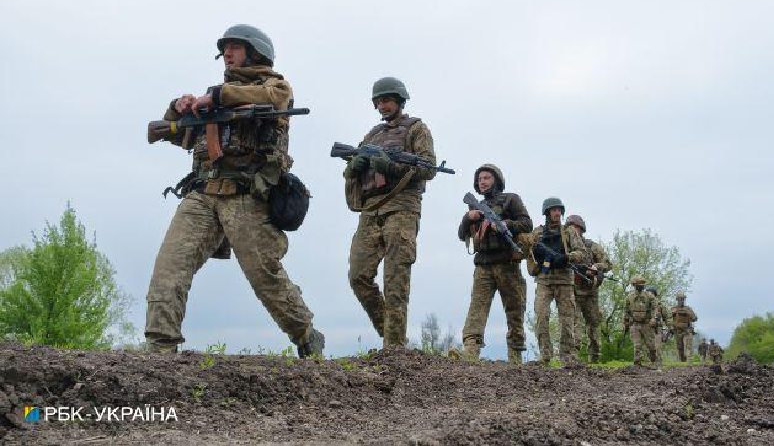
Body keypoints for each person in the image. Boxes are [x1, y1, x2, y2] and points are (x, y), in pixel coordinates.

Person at [145, 24, 324, 357]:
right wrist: (180, 107)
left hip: (246, 197)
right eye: (224, 49)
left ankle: (307, 335)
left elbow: (277, 97)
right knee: (169, 269)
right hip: (202, 194)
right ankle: (159, 350)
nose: (227, 54)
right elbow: (183, 137)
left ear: (255, 52)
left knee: (265, 277)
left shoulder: (272, 87)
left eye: (235, 47)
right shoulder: (211, 100)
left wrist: (218, 97)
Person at [344, 77, 437, 347]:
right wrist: (354, 166)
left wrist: (392, 167)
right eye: (378, 102)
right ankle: (392, 336)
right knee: (358, 276)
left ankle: (394, 350)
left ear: (399, 100)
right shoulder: (372, 135)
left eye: (386, 100)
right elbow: (350, 171)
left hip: (402, 207)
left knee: (395, 280)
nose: (382, 106)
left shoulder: (417, 129)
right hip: (371, 210)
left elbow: (429, 168)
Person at [458, 164, 532, 364]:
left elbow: (527, 223)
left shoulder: (511, 199)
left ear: (496, 180)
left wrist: (504, 224)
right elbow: (461, 235)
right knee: (477, 309)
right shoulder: (475, 206)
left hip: (507, 263)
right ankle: (470, 354)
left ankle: (515, 357)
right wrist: (468, 219)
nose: (482, 182)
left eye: (487, 178)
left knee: (515, 309)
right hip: (483, 264)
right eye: (480, 179)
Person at [528, 197, 587, 365]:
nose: (557, 212)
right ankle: (545, 356)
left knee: (567, 319)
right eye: (553, 209)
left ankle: (567, 357)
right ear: (547, 212)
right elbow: (528, 252)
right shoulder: (538, 233)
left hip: (564, 280)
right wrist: (537, 265)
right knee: (541, 317)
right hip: (544, 280)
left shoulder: (569, 232)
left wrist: (567, 257)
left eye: (559, 209)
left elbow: (582, 252)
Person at [565, 214, 612, 364]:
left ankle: (595, 357)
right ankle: (573, 358)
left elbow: (608, 264)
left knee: (594, 324)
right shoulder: (565, 247)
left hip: (591, 292)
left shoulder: (592, 246)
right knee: (574, 324)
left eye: (575, 227)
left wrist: (595, 267)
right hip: (573, 291)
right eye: (569, 228)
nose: (573, 231)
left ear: (581, 229)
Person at [622, 276, 658, 367]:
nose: (641, 287)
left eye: (642, 285)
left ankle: (653, 361)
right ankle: (637, 363)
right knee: (637, 345)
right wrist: (625, 321)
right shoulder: (629, 297)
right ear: (634, 285)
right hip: (634, 324)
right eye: (639, 285)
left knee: (651, 346)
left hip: (646, 324)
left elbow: (655, 308)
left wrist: (654, 318)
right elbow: (626, 310)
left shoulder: (649, 296)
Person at [645, 285, 671, 367]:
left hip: (657, 329)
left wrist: (670, 328)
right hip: (647, 329)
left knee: (657, 347)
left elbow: (666, 318)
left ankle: (659, 364)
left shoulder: (660, 305)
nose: (649, 294)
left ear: (654, 294)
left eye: (651, 293)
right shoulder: (645, 305)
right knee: (649, 347)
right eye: (648, 293)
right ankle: (651, 363)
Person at [671, 291, 698, 362]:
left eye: (683, 299)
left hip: (687, 330)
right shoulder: (673, 309)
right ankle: (682, 361)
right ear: (677, 300)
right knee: (680, 347)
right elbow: (668, 319)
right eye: (680, 299)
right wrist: (671, 328)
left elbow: (695, 318)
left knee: (688, 345)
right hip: (677, 330)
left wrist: (689, 314)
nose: (681, 301)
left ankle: (690, 360)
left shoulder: (688, 309)